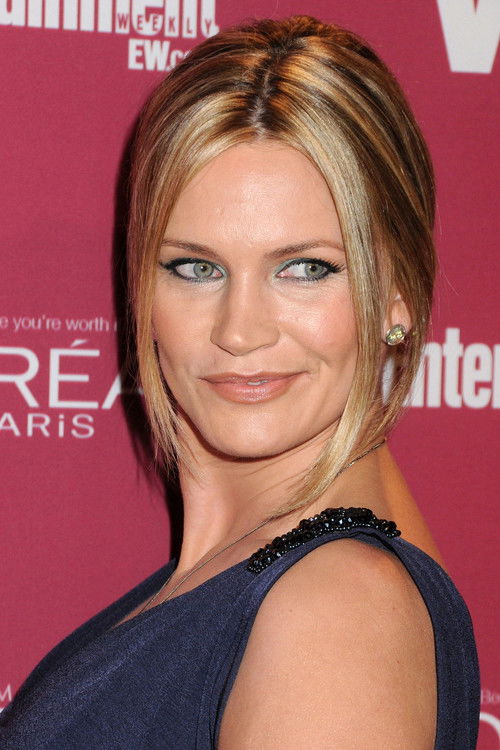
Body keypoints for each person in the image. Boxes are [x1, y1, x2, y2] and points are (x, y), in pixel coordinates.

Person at [1, 15, 479, 749]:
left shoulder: (333, 612)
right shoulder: (271, 578)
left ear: (398, 292)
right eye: (196, 267)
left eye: (306, 268)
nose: (240, 330)